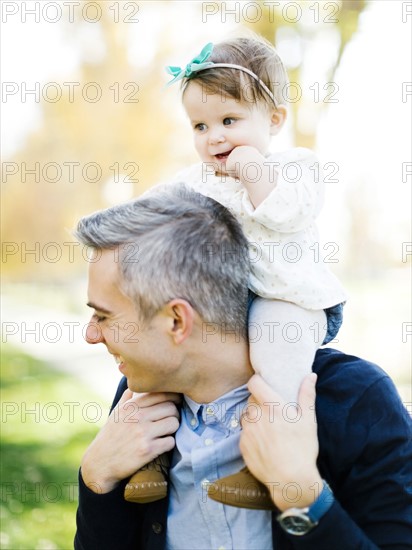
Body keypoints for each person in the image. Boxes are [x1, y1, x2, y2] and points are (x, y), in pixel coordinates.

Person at [74, 184, 412, 550]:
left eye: (103, 316)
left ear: (177, 321)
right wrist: (96, 478)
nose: (91, 334)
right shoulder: (136, 405)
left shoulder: (356, 400)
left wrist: (302, 496)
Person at [127, 34, 348, 504]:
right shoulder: (195, 180)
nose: (215, 137)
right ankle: (147, 456)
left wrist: (253, 171)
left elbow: (288, 212)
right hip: (220, 307)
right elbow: (150, 210)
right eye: (201, 126)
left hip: (286, 299)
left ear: (273, 119)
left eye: (229, 120)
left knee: (274, 364)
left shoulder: (295, 167)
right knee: (160, 352)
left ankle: (265, 464)